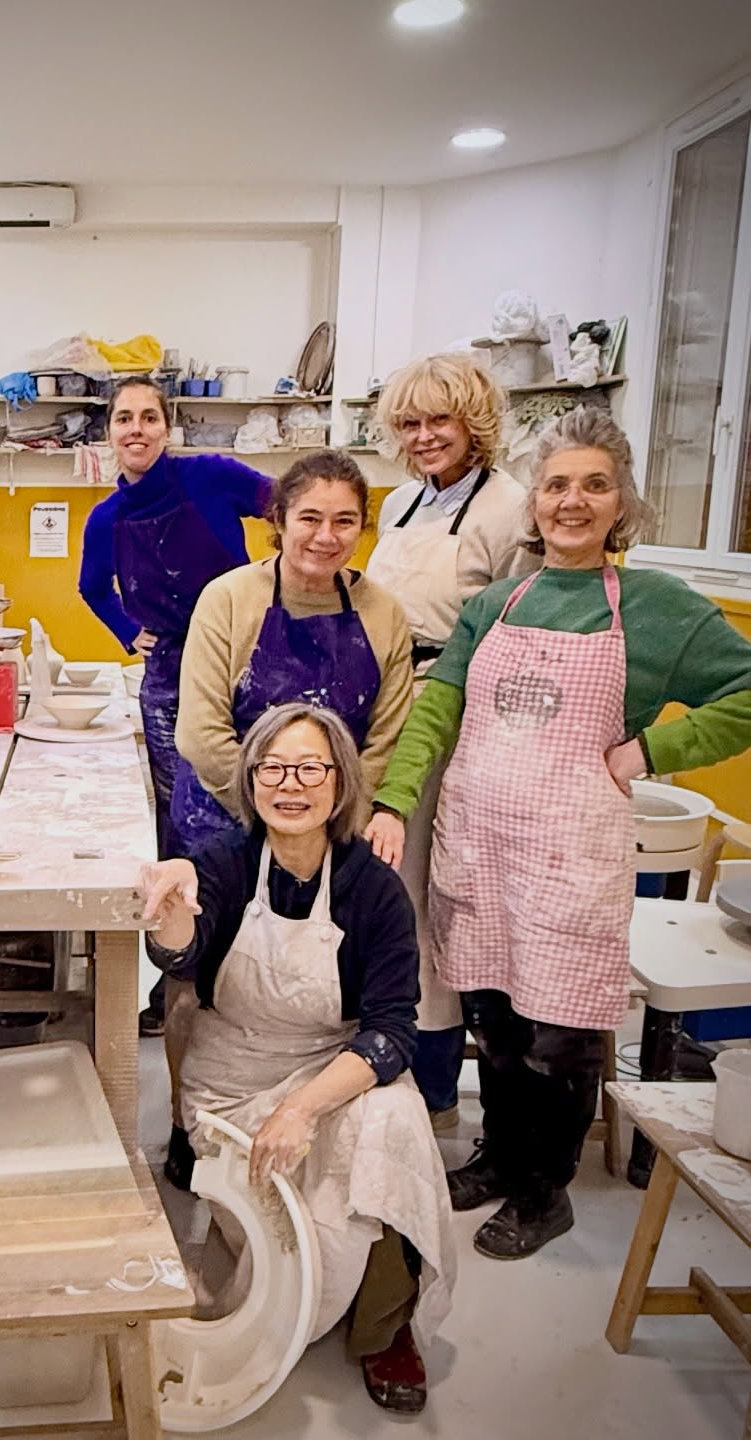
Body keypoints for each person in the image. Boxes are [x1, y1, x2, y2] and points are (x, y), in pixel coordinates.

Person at [368, 406, 751, 1259]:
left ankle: (547, 1193)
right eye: (555, 486)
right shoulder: (499, 602)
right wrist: (395, 799)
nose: (571, 502)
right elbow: (440, 707)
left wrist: (656, 747)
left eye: (594, 485)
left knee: (563, 1030)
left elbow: (746, 691)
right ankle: (502, 1159)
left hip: (571, 852)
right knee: (494, 1016)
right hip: (480, 840)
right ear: (534, 502)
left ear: (623, 503)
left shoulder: (657, 608)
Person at [142, 703, 454, 1416]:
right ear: (251, 781)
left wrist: (303, 1107)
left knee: (396, 1124)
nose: (292, 784)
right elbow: (184, 954)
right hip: (230, 1081)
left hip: (328, 1068)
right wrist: (168, 907)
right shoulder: (221, 861)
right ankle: (303, 1301)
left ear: (340, 783)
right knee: (282, 1248)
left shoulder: (372, 888)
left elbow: (392, 1031)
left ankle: (382, 1328)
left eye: (310, 768)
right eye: (273, 768)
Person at [160, 449, 412, 1188]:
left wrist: (326, 813)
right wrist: (277, 807)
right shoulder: (229, 599)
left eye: (344, 521)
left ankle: (302, 1103)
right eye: (309, 518)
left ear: (362, 529)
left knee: (316, 979)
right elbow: (201, 731)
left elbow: (388, 736)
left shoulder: (382, 613)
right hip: (226, 816)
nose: (325, 536)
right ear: (277, 522)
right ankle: (190, 1124)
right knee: (198, 985)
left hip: (335, 820)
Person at [364, 354, 532, 1131]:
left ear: (475, 422)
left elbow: (525, 636)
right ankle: (385, 1041)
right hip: (385, 706)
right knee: (384, 889)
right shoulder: (398, 503)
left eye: (440, 420)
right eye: (409, 423)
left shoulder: (511, 510)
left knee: (432, 896)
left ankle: (431, 1077)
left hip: (459, 715)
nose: (425, 437)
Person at [78, 376, 274, 859]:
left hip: (241, 661)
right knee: (178, 803)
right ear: (110, 433)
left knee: (247, 794)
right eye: (124, 419)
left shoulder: (211, 476)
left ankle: (254, 912)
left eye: (149, 417)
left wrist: (280, 584)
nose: (136, 429)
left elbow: (287, 506)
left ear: (167, 430)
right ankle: (191, 918)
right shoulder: (106, 519)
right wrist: (129, 631)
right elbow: (92, 588)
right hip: (167, 673)